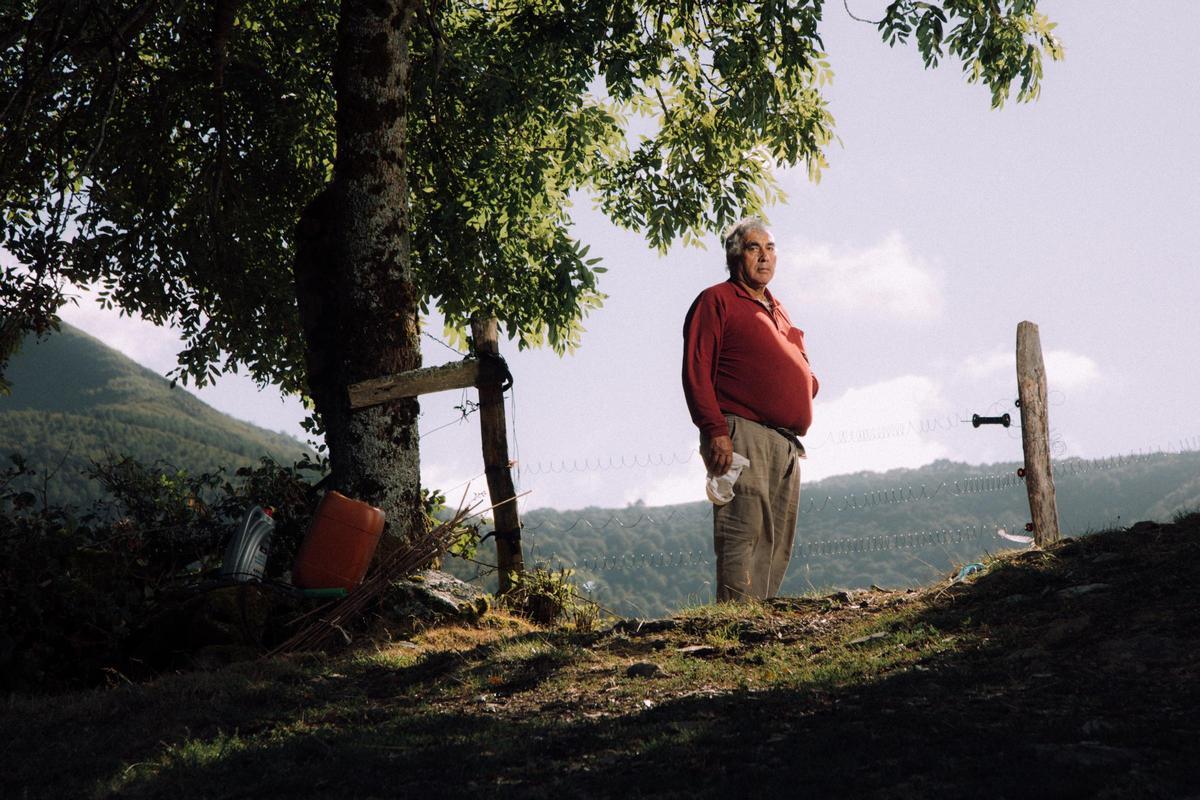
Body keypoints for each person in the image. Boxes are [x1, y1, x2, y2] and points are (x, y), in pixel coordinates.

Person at [682, 217, 819, 602]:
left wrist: (802, 385)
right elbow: (696, 370)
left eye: (771, 248)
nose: (764, 256)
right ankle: (735, 621)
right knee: (743, 530)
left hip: (786, 442)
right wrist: (715, 431)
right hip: (741, 431)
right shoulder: (717, 300)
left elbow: (800, 367)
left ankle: (755, 621)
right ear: (734, 256)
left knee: (776, 540)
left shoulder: (779, 309)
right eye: (754, 248)